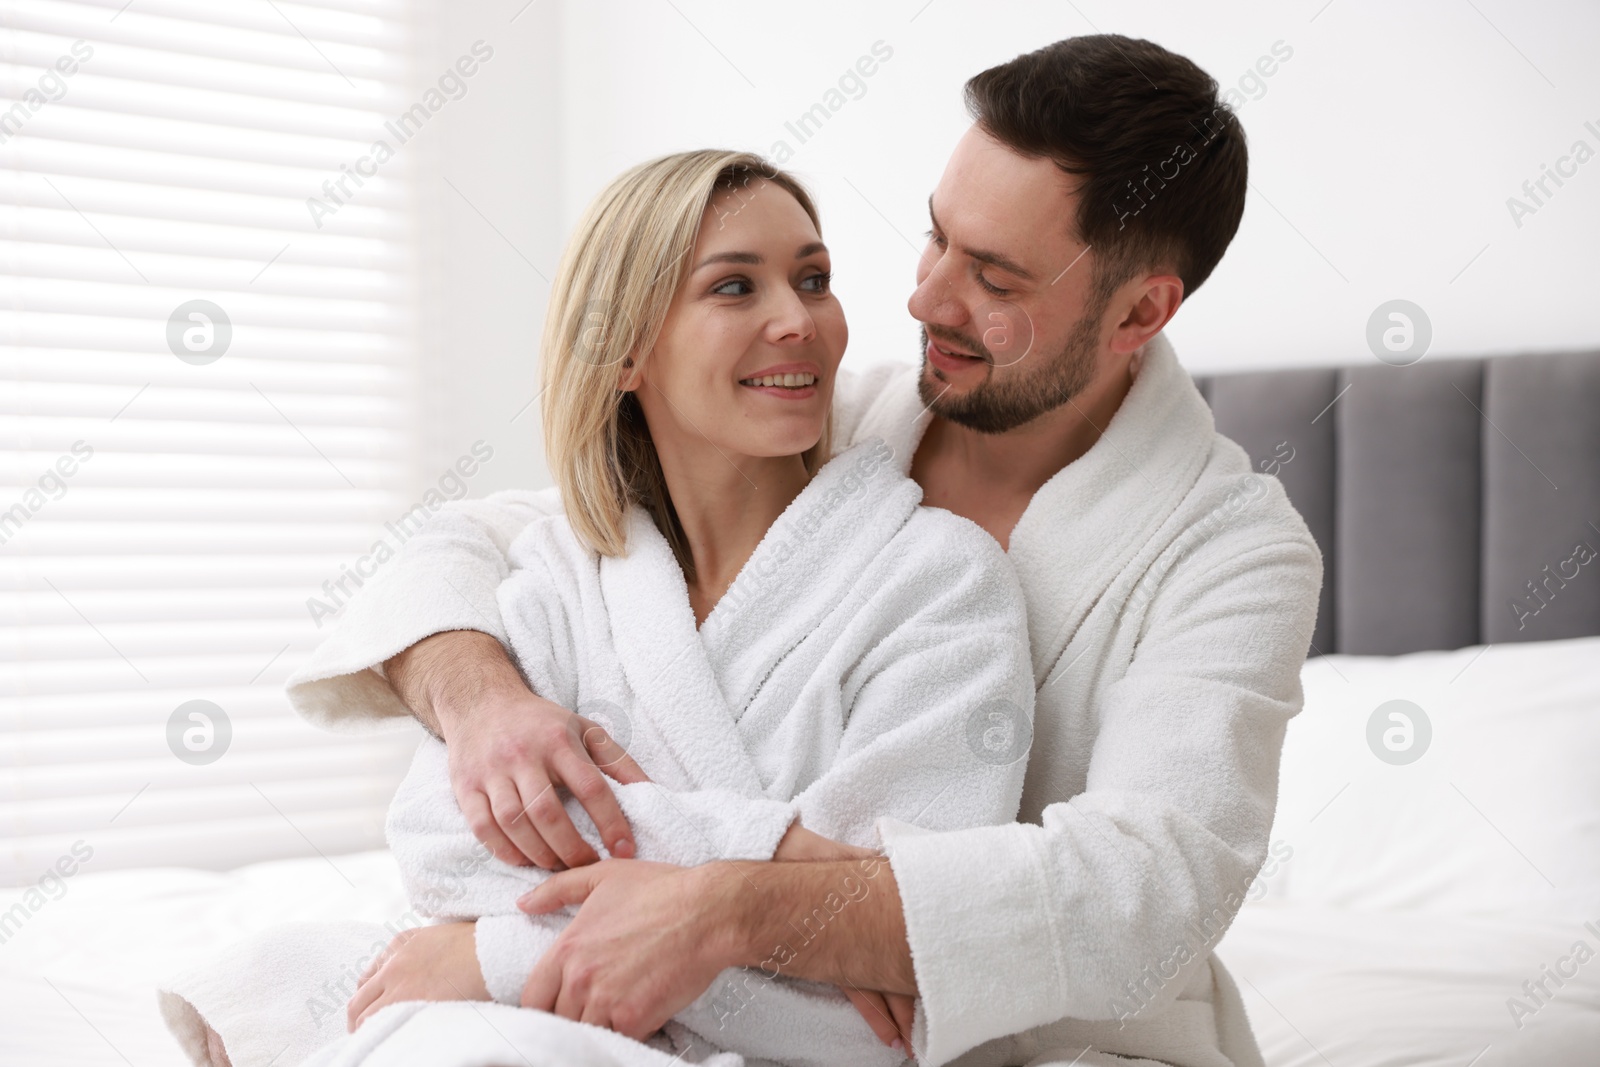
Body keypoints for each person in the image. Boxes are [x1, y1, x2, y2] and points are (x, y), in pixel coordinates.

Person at [295, 34, 1322, 1067]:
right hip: (690, 1001)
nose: (925, 299)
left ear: (1139, 311)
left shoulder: (1230, 549)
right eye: (936, 240)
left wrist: (728, 905)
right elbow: (487, 539)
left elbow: (1148, 890)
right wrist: (484, 705)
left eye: (995, 279)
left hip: (1068, 1039)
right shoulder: (838, 418)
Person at [163, 150, 1036, 1067]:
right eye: (735, 286)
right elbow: (438, 847)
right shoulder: (563, 575)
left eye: (813, 279)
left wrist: (495, 953)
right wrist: (775, 856)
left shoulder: (940, 584)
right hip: (587, 1026)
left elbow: (891, 1000)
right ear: (624, 351)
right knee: (264, 983)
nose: (799, 320)